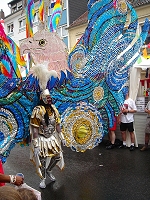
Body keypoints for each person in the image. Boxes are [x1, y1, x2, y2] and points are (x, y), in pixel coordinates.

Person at [30, 89, 65, 189]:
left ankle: (49, 170)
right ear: (42, 98)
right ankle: (43, 179)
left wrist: (62, 137)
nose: (49, 100)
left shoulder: (54, 109)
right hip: (41, 138)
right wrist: (36, 145)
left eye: (50, 98)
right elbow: (35, 129)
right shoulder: (38, 110)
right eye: (47, 98)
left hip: (51, 138)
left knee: (57, 156)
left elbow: (57, 125)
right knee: (43, 160)